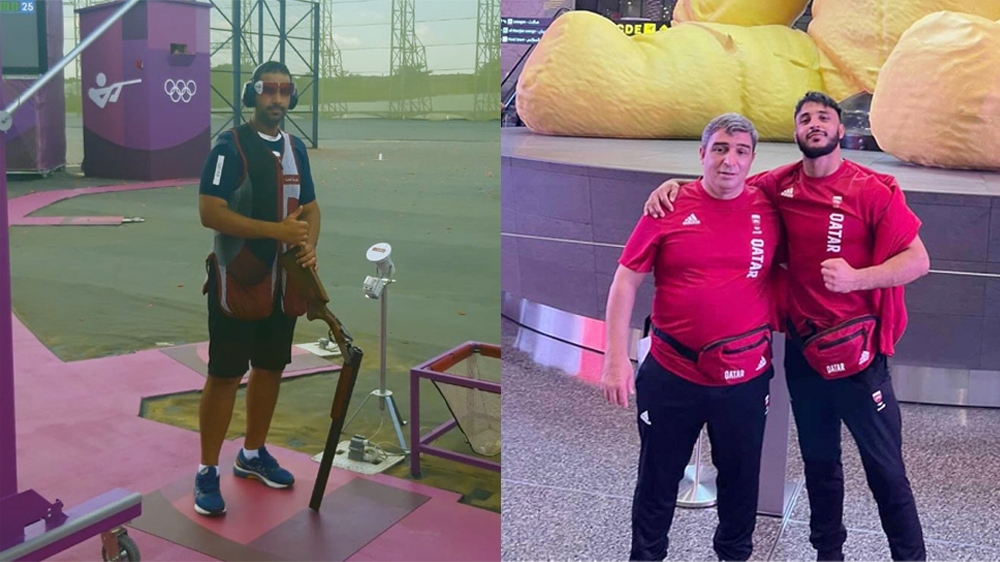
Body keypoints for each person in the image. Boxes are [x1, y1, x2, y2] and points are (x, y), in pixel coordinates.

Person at [643, 92, 930, 561]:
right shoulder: (778, 185)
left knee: (886, 470)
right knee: (820, 464)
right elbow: (724, 179)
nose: (814, 124)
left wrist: (858, 279)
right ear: (797, 132)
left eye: (824, 118)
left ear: (840, 130)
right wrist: (676, 184)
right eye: (805, 119)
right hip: (804, 352)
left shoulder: (873, 189)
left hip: (861, 358)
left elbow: (918, 261)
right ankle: (828, 553)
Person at [603, 113, 783, 561]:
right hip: (671, 375)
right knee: (657, 481)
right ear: (702, 154)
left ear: (752, 160)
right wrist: (614, 359)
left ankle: (734, 555)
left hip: (744, 379)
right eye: (719, 149)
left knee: (741, 485)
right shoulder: (668, 206)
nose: (729, 160)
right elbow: (625, 282)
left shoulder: (769, 205)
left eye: (741, 151)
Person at [194, 61, 320, 516]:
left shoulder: (295, 148)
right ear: (253, 94)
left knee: (269, 369)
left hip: (283, 285)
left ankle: (252, 455)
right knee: (225, 376)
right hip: (239, 280)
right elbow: (211, 212)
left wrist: (307, 246)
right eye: (269, 90)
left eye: (286, 91)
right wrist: (276, 232)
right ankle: (207, 469)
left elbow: (309, 207)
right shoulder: (229, 147)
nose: (278, 100)